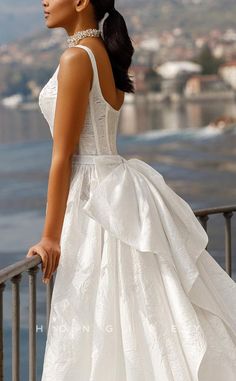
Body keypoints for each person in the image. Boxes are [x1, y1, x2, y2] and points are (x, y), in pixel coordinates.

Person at [26, 0, 236, 380]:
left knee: (97, 317)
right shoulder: (102, 53)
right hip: (113, 188)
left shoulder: (77, 58)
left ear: (79, 3)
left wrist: (50, 237)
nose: (43, 1)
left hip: (93, 199)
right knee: (130, 313)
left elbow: (63, 157)